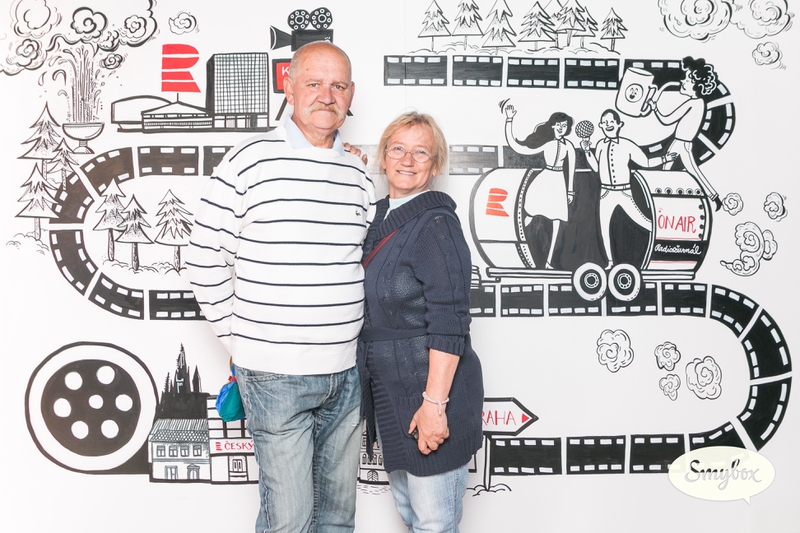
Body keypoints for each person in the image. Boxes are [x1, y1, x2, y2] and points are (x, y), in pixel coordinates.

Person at [186, 41, 375, 533]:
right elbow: (202, 257)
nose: (326, 96)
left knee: (337, 520)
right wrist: (241, 340)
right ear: (288, 87)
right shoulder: (248, 161)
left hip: (346, 373)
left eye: (338, 86)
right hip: (274, 375)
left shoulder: (358, 172)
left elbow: (359, 260)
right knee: (289, 522)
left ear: (351, 94)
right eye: (313, 83)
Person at [359, 112, 484, 533]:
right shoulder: (377, 218)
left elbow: (450, 322)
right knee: (412, 518)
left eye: (421, 152)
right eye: (397, 148)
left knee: (434, 524)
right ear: (383, 157)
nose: (407, 160)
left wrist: (434, 406)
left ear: (435, 165)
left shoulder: (436, 224)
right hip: (392, 396)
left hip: (431, 395)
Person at [582, 109, 676, 268]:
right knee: (604, 228)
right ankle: (610, 263)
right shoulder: (600, 145)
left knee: (644, 222)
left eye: (611, 122)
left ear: (619, 124)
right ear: (601, 125)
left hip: (624, 192)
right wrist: (586, 151)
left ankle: (666, 245)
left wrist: (664, 158)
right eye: (605, 122)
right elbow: (596, 168)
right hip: (605, 193)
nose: (608, 125)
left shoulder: (627, 145)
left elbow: (646, 163)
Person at [504, 105, 576, 269]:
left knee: (557, 221)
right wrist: (509, 120)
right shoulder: (547, 144)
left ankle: (549, 261)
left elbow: (571, 169)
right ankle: (516, 243)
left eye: (564, 125)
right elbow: (518, 148)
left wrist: (570, 190)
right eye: (558, 125)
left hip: (558, 183)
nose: (561, 128)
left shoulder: (569, 146)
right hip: (544, 180)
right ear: (553, 126)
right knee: (528, 213)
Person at [652, 56, 722, 211]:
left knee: (673, 172)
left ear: (697, 84)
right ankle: (714, 197)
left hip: (682, 144)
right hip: (681, 143)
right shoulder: (699, 103)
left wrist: (655, 108)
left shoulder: (693, 103)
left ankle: (662, 202)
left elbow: (667, 120)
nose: (683, 81)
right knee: (677, 171)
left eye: (688, 79)